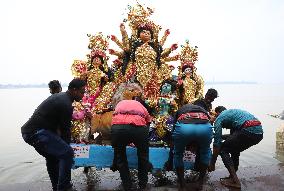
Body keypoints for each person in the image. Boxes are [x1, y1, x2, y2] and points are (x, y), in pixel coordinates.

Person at [21, 78, 86, 191]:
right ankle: (64, 187)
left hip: (31, 131)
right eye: (82, 92)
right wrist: (67, 150)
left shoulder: (62, 98)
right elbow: (65, 131)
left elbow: (59, 128)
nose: (83, 95)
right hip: (35, 133)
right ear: (74, 90)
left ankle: (56, 187)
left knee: (53, 158)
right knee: (67, 153)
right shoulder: (65, 103)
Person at [209, 107, 263, 189]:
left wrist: (212, 164)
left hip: (248, 129)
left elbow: (217, 145)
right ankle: (232, 177)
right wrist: (217, 136)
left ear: (217, 113)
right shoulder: (233, 115)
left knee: (223, 150)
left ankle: (235, 181)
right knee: (234, 149)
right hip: (258, 133)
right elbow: (233, 137)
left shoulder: (219, 118)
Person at [111, 96, 152, 191]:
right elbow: (148, 122)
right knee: (143, 156)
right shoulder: (141, 106)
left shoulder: (119, 104)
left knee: (120, 157)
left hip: (118, 129)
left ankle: (127, 185)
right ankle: (142, 185)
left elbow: (113, 120)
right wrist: (143, 139)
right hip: (139, 129)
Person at [172, 104, 213, 191]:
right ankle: (200, 183)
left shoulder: (181, 109)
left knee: (178, 154)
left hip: (184, 127)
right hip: (205, 128)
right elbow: (210, 122)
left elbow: (174, 126)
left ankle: (183, 186)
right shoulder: (203, 110)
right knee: (205, 152)